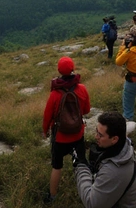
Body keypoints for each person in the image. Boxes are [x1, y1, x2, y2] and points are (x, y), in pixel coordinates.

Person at [42, 56, 91, 204]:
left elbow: (47, 116)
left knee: (57, 166)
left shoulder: (55, 94)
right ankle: (87, 192)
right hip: (78, 133)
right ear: (72, 69)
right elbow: (86, 110)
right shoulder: (82, 89)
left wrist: (45, 131)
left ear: (59, 71)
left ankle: (52, 196)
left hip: (60, 137)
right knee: (81, 163)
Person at [73, 112, 136, 207]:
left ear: (114, 139)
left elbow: (91, 203)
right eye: (96, 131)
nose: (96, 137)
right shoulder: (123, 147)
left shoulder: (114, 171)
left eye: (100, 135)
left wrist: (81, 166)